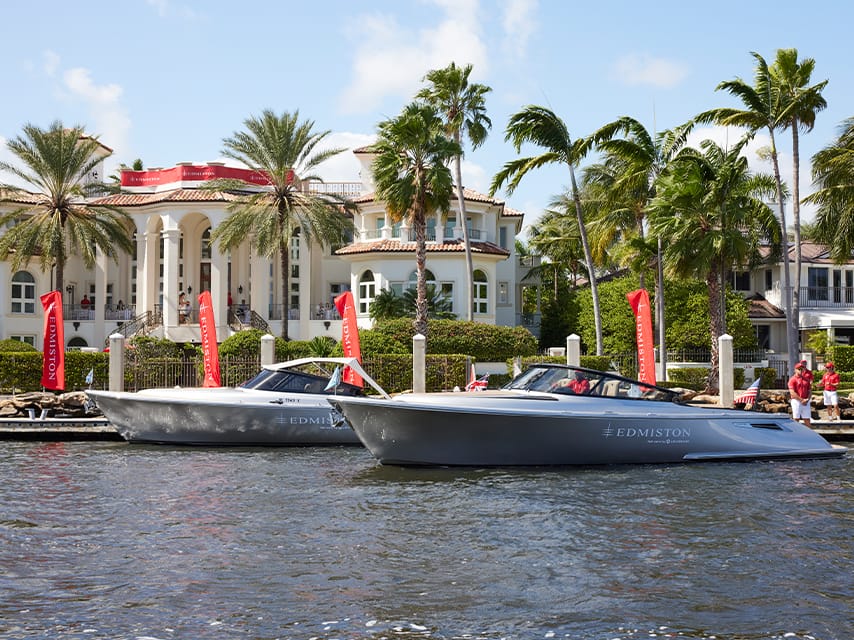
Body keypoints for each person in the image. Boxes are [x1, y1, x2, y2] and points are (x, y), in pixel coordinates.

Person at [787, 361, 813, 427]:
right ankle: (796, 435)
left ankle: (809, 436)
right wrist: (801, 400)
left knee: (807, 419)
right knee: (796, 419)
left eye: (802, 369)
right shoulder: (792, 379)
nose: (801, 370)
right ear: (795, 370)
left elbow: (810, 391)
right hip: (796, 401)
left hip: (805, 401)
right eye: (799, 369)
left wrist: (807, 399)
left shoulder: (806, 379)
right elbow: (792, 393)